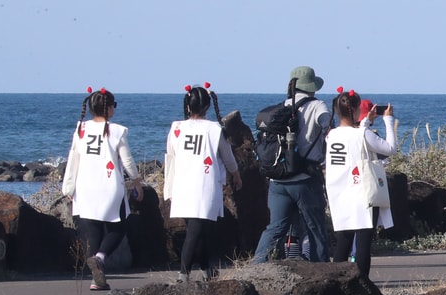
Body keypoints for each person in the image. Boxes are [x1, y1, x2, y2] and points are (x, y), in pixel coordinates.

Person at [62, 87, 141, 291]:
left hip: (85, 186)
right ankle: (100, 259)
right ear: (109, 109)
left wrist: (68, 187)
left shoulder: (81, 129)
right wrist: (136, 181)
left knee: (92, 232)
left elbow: (73, 159)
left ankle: (96, 277)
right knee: (119, 226)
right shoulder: (117, 131)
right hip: (109, 187)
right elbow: (127, 161)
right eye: (114, 105)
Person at [251, 66, 332, 262]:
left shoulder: (282, 106)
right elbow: (327, 124)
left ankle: (256, 267)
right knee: (315, 227)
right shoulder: (317, 105)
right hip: (305, 179)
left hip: (278, 180)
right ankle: (321, 271)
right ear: (312, 87)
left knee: (276, 228)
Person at [164, 83, 242, 282]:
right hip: (204, 184)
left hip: (182, 183)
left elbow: (171, 155)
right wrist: (235, 174)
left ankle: (208, 270)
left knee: (198, 229)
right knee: (196, 230)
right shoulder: (214, 129)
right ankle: (183, 274)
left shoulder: (177, 128)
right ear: (207, 106)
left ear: (188, 106)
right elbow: (228, 157)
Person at [324, 89, 398, 279]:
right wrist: (388, 121)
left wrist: (366, 122)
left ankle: (335, 282)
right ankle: (362, 282)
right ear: (356, 109)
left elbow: (355, 137)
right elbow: (390, 149)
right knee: (363, 242)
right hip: (362, 194)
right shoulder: (362, 134)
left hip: (339, 194)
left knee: (343, 241)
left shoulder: (331, 135)